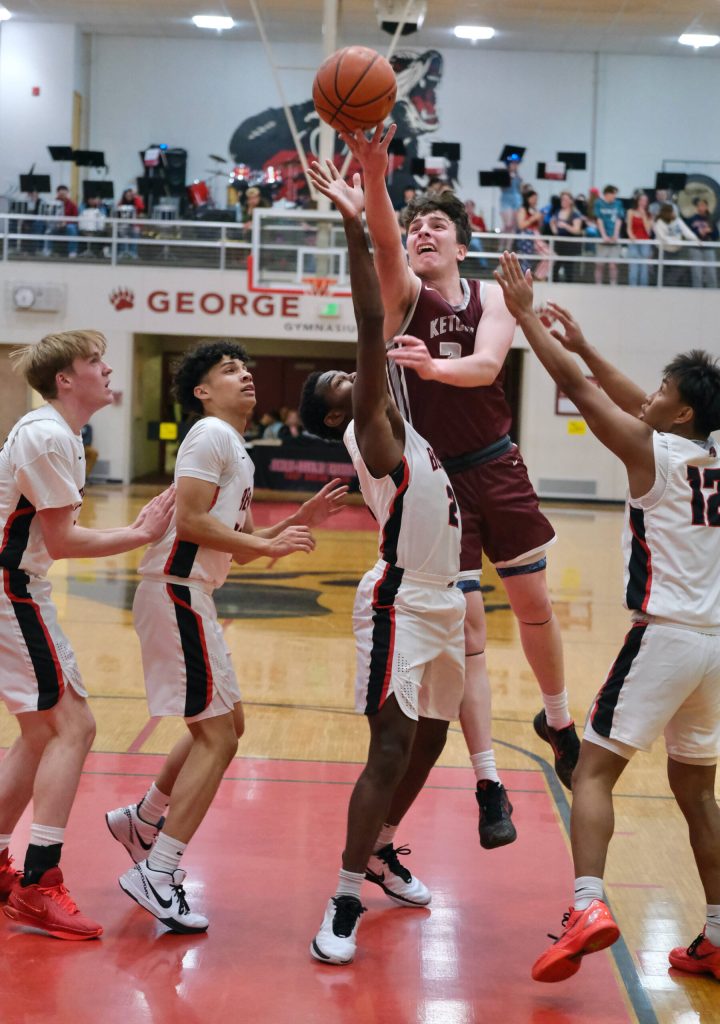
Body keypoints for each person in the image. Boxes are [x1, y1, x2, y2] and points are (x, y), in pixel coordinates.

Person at [338, 124, 579, 851]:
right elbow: (380, 243)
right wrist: (377, 181)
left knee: (534, 607)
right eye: (417, 226)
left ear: (462, 243)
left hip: (497, 462)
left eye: (437, 224)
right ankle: (488, 782)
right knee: (470, 634)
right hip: (436, 486)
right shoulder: (404, 293)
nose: (422, 233)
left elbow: (485, 366)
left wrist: (432, 370)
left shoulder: (491, 299)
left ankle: (559, 719)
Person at [494, 253, 720, 984]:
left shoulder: (652, 457)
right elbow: (630, 398)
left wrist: (525, 316)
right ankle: (718, 936)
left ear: (682, 412)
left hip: (665, 636)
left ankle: (587, 903)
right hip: (716, 649)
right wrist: (588, 342)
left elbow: (581, 391)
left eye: (663, 388)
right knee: (697, 793)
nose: (648, 394)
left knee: (591, 773)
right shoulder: (706, 456)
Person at [106, 341, 346, 933]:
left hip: (192, 594)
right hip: (174, 591)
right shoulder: (209, 435)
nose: (246, 377)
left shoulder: (235, 448)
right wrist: (267, 544)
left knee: (226, 726)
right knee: (217, 738)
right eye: (229, 371)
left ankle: (145, 817)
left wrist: (295, 523)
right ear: (202, 391)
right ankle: (157, 870)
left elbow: (230, 543)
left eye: (247, 369)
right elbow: (190, 521)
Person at [299, 160, 466, 966]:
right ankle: (341, 897)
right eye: (343, 381)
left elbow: (394, 319)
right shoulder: (370, 428)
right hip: (399, 600)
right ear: (341, 407)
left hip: (444, 598)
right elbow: (372, 322)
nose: (354, 371)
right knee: (390, 749)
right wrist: (354, 227)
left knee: (434, 738)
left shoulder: (405, 421)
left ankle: (382, 847)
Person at [0, 330, 174, 940]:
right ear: (65, 380)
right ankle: (37, 883)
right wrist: (142, 531)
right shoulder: (47, 435)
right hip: (11, 590)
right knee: (74, 726)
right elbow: (64, 543)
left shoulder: (58, 433)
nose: (107, 368)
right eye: (94, 362)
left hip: (19, 587)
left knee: (40, 728)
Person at [653, 204, 698, 287]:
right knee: (661, 272)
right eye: (672, 211)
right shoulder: (659, 223)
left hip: (676, 251)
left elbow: (686, 231)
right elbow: (663, 238)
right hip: (663, 251)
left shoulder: (677, 221)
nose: (674, 213)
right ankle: (662, 288)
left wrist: (696, 239)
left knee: (680, 268)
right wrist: (675, 241)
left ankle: (669, 285)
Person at [593, 185, 624, 285]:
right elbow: (599, 219)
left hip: (614, 240)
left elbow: (619, 219)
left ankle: (613, 284)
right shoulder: (598, 203)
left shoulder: (618, 203)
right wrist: (604, 235)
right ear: (607, 194)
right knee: (599, 265)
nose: (614, 196)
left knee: (613, 265)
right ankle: (598, 285)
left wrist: (615, 235)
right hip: (602, 240)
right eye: (613, 194)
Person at [516, 190, 550, 281]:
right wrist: (533, 218)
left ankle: (538, 276)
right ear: (527, 199)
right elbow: (521, 225)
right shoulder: (522, 209)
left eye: (536, 199)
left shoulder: (535, 210)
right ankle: (538, 276)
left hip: (536, 234)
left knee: (549, 256)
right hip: (529, 236)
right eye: (533, 198)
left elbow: (539, 227)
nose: (535, 200)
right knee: (549, 255)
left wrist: (540, 219)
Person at [549, 192, 583, 283]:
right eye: (562, 199)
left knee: (569, 269)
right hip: (559, 244)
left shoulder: (575, 214)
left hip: (569, 245)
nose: (563, 201)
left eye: (565, 199)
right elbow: (553, 225)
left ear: (571, 201)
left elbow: (577, 230)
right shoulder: (558, 211)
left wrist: (565, 226)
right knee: (555, 268)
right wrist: (554, 227)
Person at [685, 197, 718, 289]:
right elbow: (687, 233)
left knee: (711, 272)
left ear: (707, 207)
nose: (701, 207)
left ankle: (712, 292)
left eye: (703, 205)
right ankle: (697, 292)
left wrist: (710, 231)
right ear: (697, 207)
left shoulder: (711, 219)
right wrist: (698, 232)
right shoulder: (691, 219)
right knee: (696, 272)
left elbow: (716, 236)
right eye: (700, 205)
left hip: (708, 247)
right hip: (695, 247)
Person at [625, 191, 653, 287]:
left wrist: (644, 215)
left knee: (644, 267)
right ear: (637, 201)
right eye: (641, 200)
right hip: (634, 242)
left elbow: (648, 230)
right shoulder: (630, 212)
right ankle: (632, 288)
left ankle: (643, 288)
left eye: (645, 201)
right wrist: (631, 235)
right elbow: (628, 227)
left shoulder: (650, 215)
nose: (643, 202)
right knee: (633, 266)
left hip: (645, 242)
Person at [54, 185, 79, 258]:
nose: (62, 196)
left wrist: (66, 222)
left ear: (67, 193)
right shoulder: (53, 203)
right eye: (60, 194)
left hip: (68, 225)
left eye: (64, 194)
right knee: (48, 230)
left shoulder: (72, 205)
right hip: (55, 224)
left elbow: (75, 218)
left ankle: (72, 251)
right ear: (57, 193)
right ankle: (47, 250)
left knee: (72, 228)